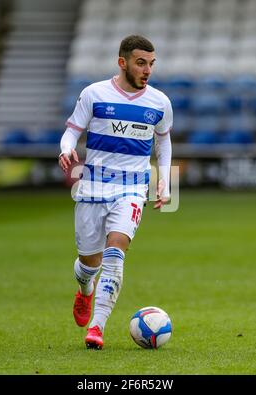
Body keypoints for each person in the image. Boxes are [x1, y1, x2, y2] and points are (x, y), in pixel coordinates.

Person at [59, 35, 173, 350]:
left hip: (133, 188)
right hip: (93, 187)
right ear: (122, 62)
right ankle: (84, 288)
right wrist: (66, 149)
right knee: (89, 264)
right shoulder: (94, 94)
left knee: (116, 250)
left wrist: (164, 180)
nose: (147, 69)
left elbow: (163, 142)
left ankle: (97, 327)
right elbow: (72, 131)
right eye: (140, 62)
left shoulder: (159, 102)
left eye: (151, 63)